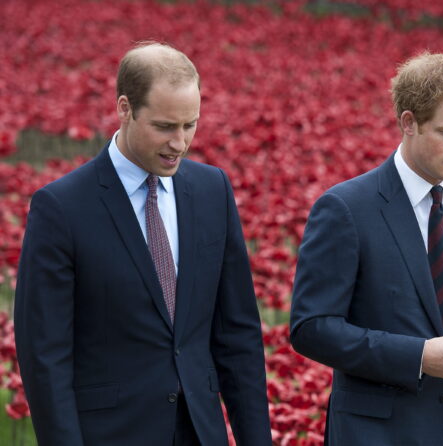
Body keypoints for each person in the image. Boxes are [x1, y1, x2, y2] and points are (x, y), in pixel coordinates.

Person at [14, 42, 272, 445]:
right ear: (124, 108)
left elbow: (238, 334)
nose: (180, 143)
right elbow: (44, 356)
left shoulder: (212, 190)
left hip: (200, 432)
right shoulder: (61, 208)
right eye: (165, 126)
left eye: (191, 125)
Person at [290, 52, 443, 446]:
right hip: (373, 433)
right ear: (408, 123)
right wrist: (418, 357)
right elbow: (311, 328)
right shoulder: (346, 208)